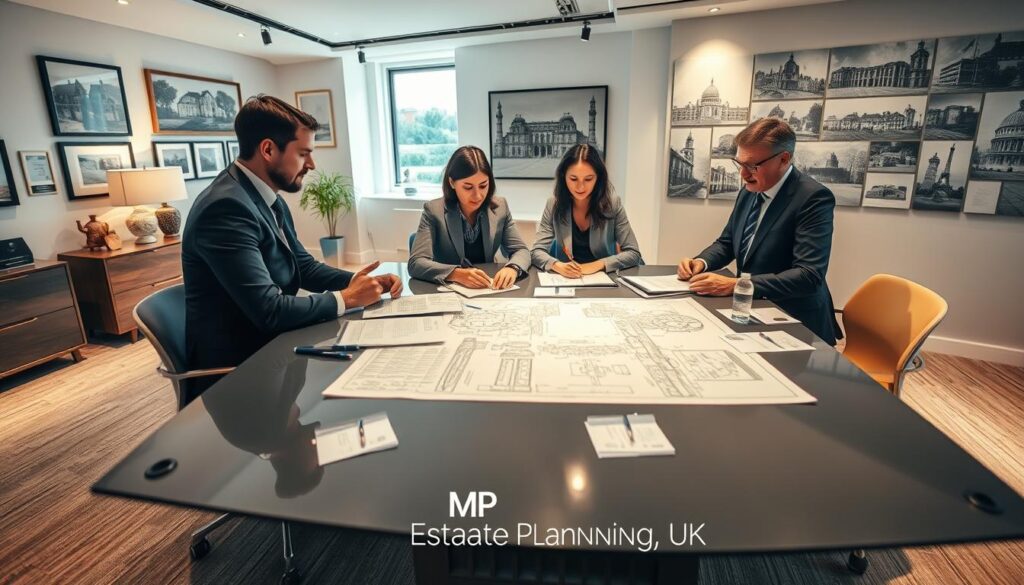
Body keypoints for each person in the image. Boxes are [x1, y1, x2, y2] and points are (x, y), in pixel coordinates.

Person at [182, 94, 401, 402]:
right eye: (303, 154)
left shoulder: (266, 196)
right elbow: (269, 310)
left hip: (276, 352)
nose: (311, 164)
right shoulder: (225, 208)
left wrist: (357, 282)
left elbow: (303, 266)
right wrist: (346, 298)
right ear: (268, 149)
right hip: (240, 375)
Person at [676, 118, 842, 345]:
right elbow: (727, 243)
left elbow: (808, 275)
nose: (743, 174)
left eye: (752, 166)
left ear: (783, 159)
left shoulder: (813, 198)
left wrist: (736, 285)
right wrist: (701, 262)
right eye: (740, 164)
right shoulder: (749, 191)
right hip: (750, 313)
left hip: (796, 322)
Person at [408, 146, 530, 288]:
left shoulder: (500, 207)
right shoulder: (433, 211)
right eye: (468, 187)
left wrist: (512, 268)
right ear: (452, 182)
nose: (478, 196)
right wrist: (456, 274)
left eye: (483, 185)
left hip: (487, 289)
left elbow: (521, 250)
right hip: (448, 292)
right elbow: (416, 263)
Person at [531, 144, 643, 276]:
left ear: (598, 178)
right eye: (573, 179)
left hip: (604, 280)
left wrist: (597, 265)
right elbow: (536, 251)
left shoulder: (612, 204)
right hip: (566, 281)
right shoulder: (553, 204)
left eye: (588, 179)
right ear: (563, 176)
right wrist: (557, 265)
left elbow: (633, 253)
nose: (580, 187)